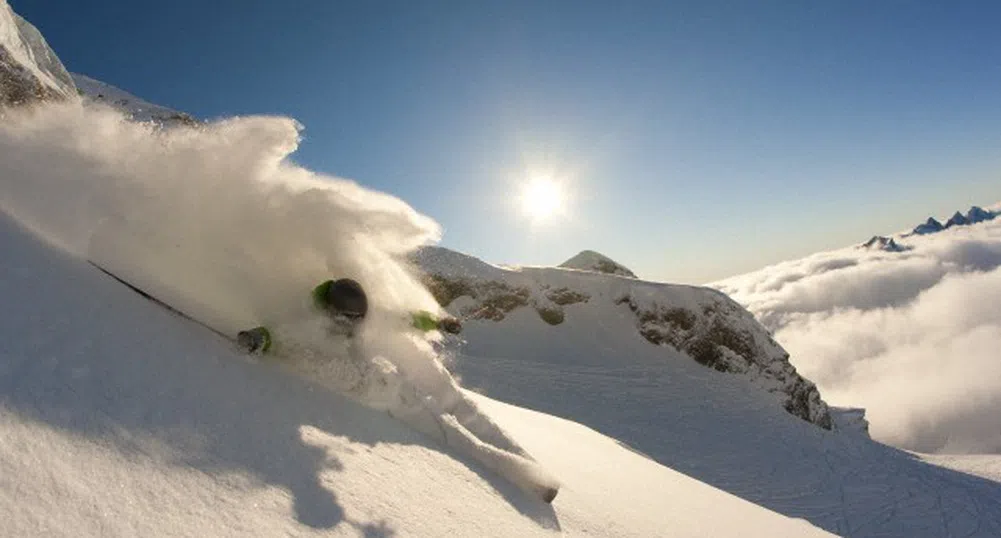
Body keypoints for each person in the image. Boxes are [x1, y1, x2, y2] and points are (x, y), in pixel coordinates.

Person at [237, 278, 461, 354]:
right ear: (332, 311)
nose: (352, 323)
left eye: (357, 318)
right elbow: (281, 330)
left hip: (351, 353)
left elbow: (408, 319)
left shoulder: (372, 315)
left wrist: (440, 322)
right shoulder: (309, 315)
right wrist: (257, 338)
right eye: (347, 318)